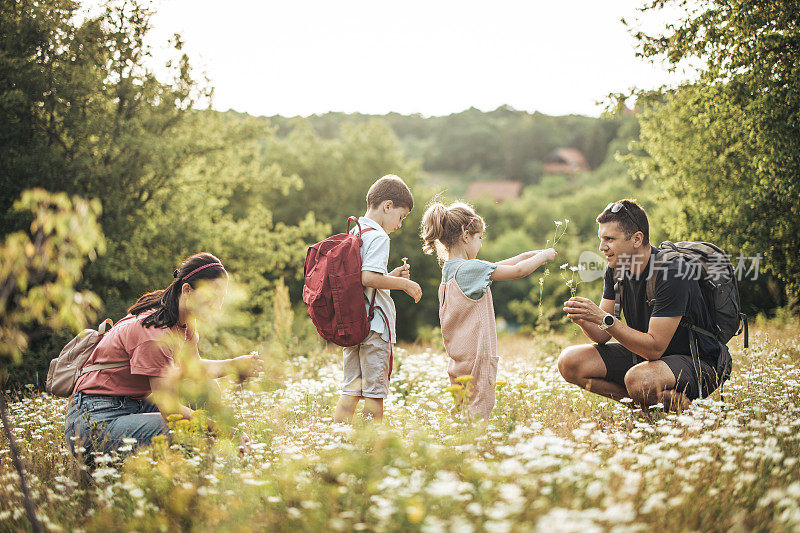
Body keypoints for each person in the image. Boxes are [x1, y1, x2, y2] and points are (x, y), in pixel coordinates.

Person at [65, 252, 258, 459]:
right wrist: (227, 433)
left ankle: (196, 472)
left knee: (207, 390)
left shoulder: (183, 322)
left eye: (221, 299)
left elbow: (194, 369)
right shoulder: (154, 333)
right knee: (183, 430)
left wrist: (234, 365)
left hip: (130, 406)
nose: (218, 307)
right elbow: (171, 412)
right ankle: (187, 483)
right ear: (187, 290)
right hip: (94, 421)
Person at [559, 199, 724, 412]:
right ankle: (646, 406)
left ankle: (688, 416)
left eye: (609, 239)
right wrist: (584, 318)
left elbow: (655, 348)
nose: (602, 247)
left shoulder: (671, 271)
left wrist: (602, 318)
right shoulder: (616, 270)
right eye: (601, 239)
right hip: (648, 360)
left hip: (698, 361)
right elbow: (602, 335)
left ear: (637, 239)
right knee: (569, 362)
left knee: (639, 380)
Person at [420, 201, 556, 418]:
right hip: (478, 356)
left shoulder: (451, 270)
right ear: (466, 236)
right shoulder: (471, 269)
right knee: (479, 409)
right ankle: (475, 449)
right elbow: (518, 271)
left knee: (462, 406)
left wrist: (534, 254)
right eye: (479, 238)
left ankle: (457, 445)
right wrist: (545, 257)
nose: (481, 245)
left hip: (459, 358)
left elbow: (503, 264)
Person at [332, 175, 422, 423]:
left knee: (350, 390)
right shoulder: (380, 236)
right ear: (388, 206)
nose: (400, 224)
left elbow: (364, 280)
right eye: (401, 217)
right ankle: (372, 449)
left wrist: (390, 276)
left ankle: (336, 441)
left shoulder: (355, 231)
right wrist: (404, 283)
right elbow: (368, 278)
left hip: (353, 324)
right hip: (375, 328)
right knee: (374, 394)